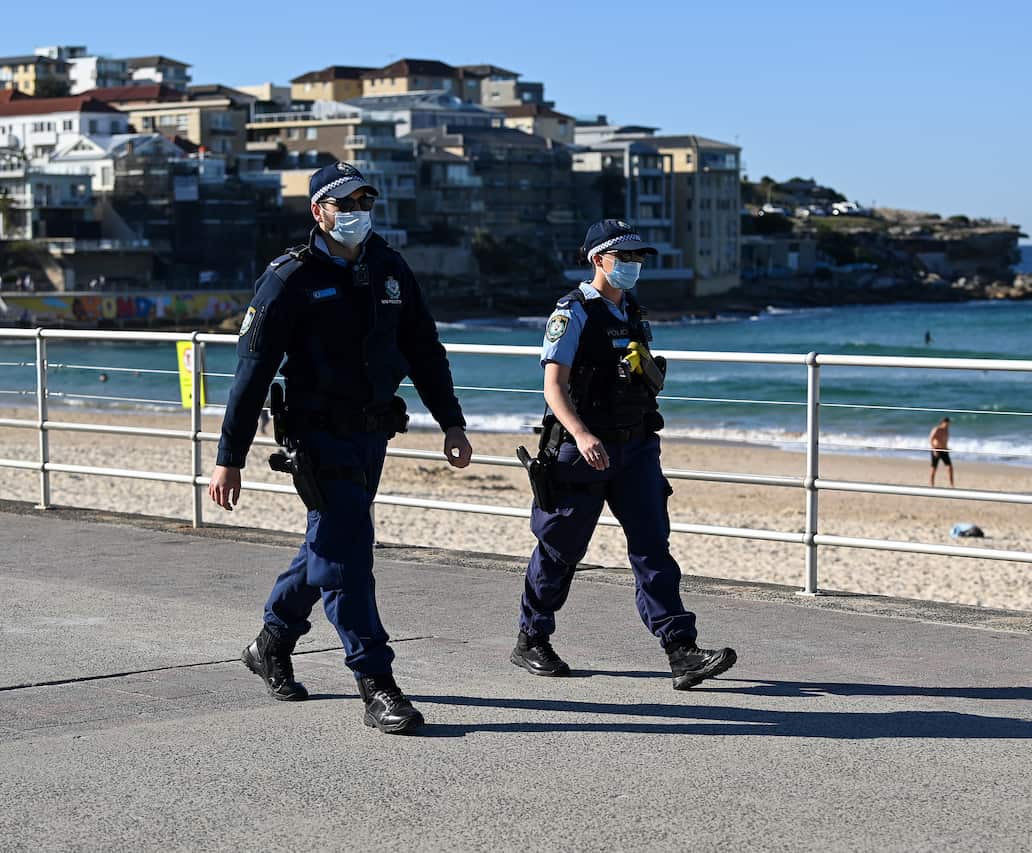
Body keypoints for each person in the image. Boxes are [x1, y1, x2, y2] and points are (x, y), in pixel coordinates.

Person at [207, 162, 473, 734]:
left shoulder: (388, 266)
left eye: (364, 199)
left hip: (372, 431)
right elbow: (252, 372)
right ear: (318, 212)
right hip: (316, 435)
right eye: (343, 202)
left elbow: (424, 348)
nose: (356, 210)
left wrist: (451, 422)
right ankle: (376, 681)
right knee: (349, 554)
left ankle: (270, 642)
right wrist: (231, 456)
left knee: (328, 545)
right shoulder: (289, 277)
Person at [511, 219, 737, 690]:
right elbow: (553, 386)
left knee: (653, 548)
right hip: (582, 451)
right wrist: (582, 434)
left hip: (635, 448)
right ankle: (532, 638)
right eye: (625, 257)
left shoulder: (632, 310)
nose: (634, 265)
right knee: (560, 550)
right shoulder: (571, 313)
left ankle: (681, 651)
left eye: (639, 258)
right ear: (599, 260)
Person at [928, 416, 954, 487]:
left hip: (944, 450)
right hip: (936, 450)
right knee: (934, 468)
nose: (948, 425)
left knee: (950, 467)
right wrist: (934, 450)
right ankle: (931, 484)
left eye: (949, 424)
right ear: (943, 422)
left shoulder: (947, 430)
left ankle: (951, 484)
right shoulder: (937, 429)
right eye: (947, 423)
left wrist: (947, 449)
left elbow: (944, 442)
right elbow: (930, 439)